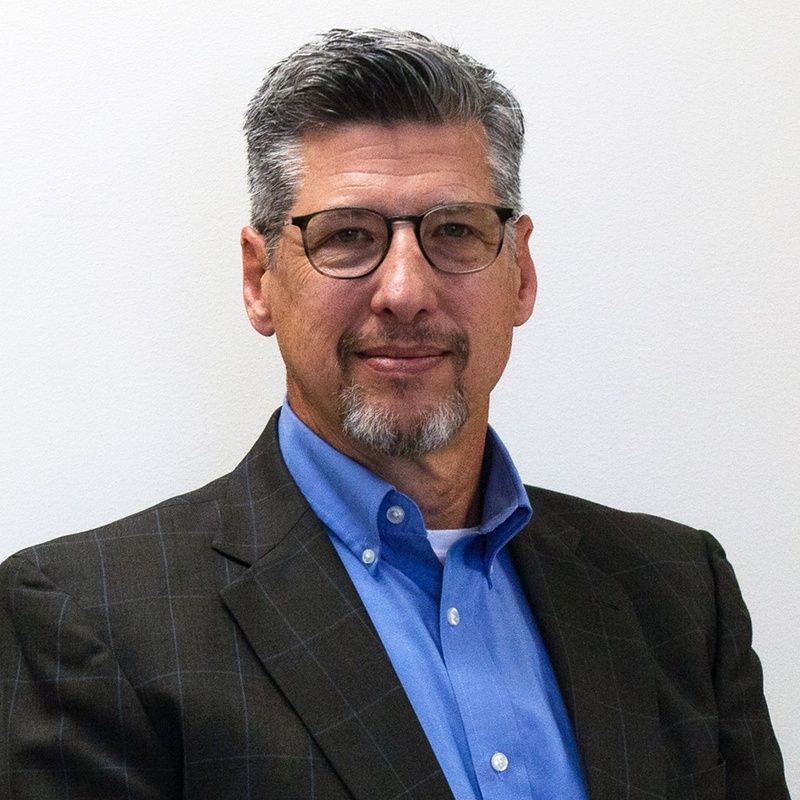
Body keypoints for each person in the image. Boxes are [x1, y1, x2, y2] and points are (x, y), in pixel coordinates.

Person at [0, 28, 788, 800]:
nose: (405, 291)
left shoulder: (678, 592)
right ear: (257, 279)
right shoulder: (91, 621)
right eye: (346, 236)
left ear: (521, 274)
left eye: (454, 232)